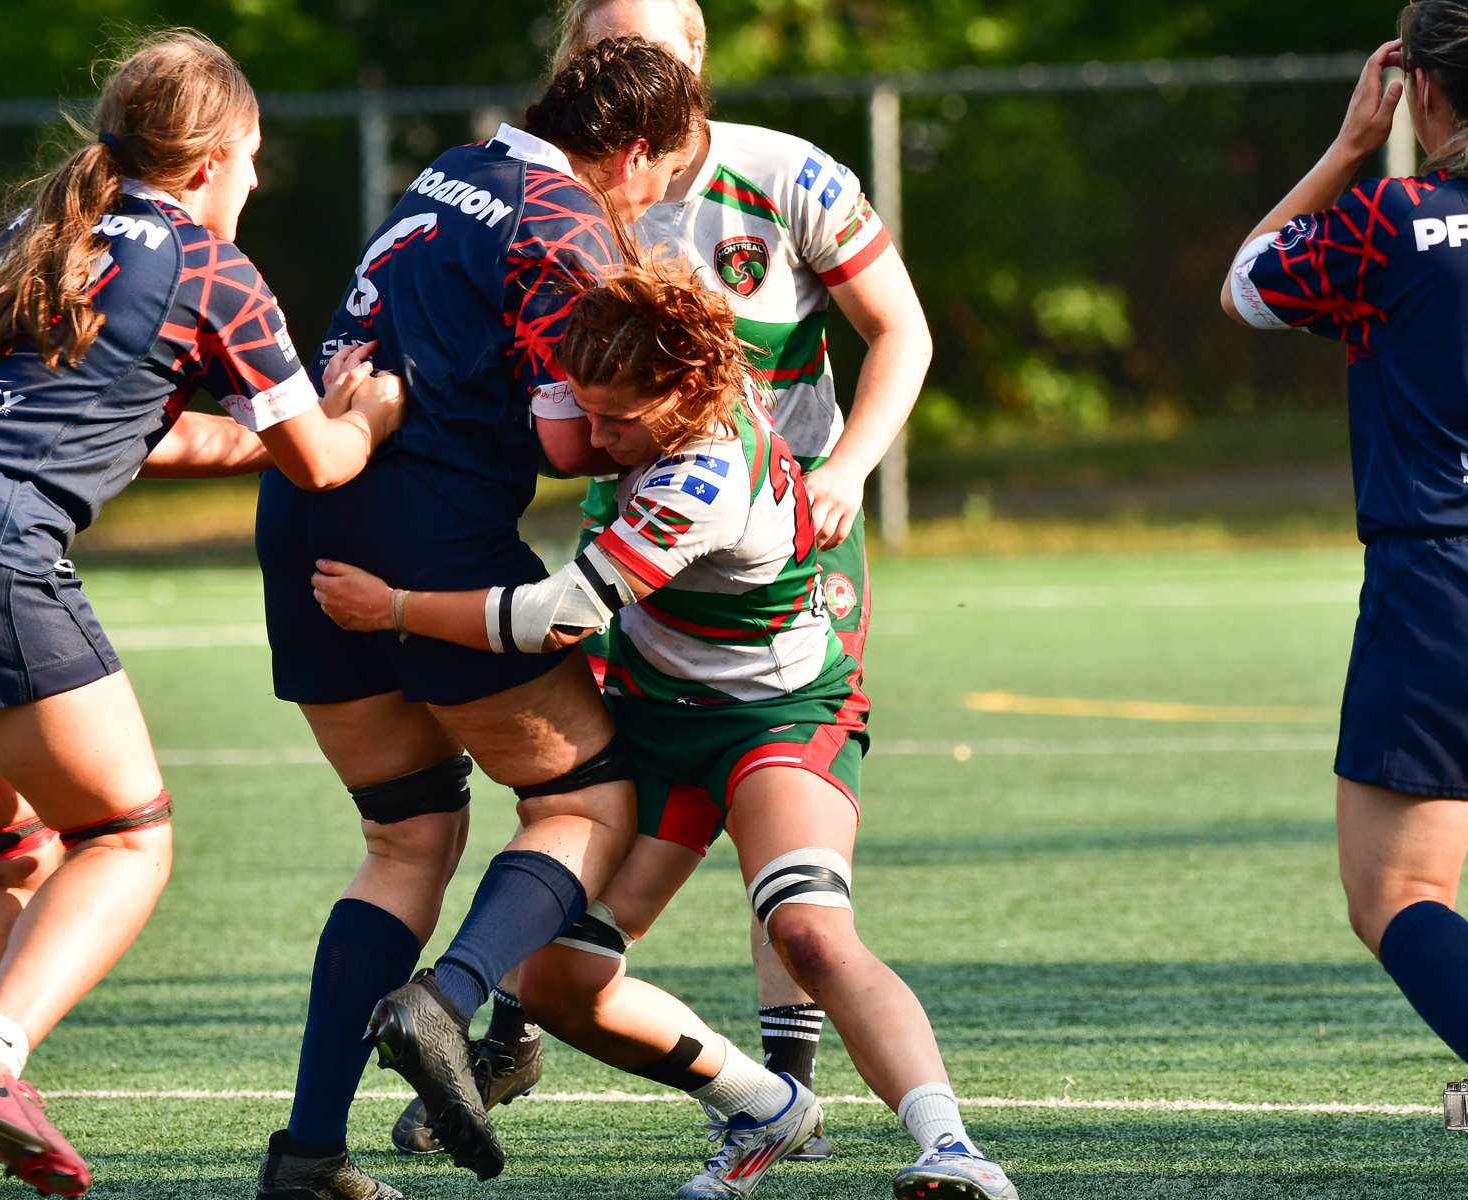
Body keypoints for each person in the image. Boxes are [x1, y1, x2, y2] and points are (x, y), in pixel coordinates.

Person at [0, 30, 405, 1200]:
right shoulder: (211, 269)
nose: (251, 183)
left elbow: (120, 425)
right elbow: (326, 463)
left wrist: (264, 436)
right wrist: (376, 411)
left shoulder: (33, 239)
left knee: (9, 858)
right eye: (250, 161)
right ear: (209, 162)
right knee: (129, 837)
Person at [312, 264, 1015, 1200]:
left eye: (615, 423)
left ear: (684, 394)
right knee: (560, 983)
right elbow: (540, 418)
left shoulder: (707, 476)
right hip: (655, 713)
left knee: (806, 930)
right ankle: (761, 1105)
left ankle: (950, 1147)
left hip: (775, 715)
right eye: (588, 413)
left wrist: (395, 606)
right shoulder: (642, 388)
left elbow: (561, 613)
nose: (591, 443)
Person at [389, 0, 934, 1163]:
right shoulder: (570, 195)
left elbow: (903, 331)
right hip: (637, 521)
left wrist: (843, 470)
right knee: (604, 778)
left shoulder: (788, 174)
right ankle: (530, 1013)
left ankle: (783, 1075)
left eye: (655, 44)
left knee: (768, 783)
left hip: (783, 531)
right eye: (599, 48)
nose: (627, 64)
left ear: (693, 55)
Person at [251, 37, 707, 1196]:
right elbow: (566, 437)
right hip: (428, 527)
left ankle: (309, 1155)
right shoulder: (569, 221)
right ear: (636, 151)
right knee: (584, 797)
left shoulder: (449, 170)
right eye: (666, 174)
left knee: (406, 836)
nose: (660, 200)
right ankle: (446, 1005)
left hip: (306, 514)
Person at [1222, 3, 1468, 1197]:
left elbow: (1249, 288)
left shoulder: (1393, 218)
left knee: (1395, 894)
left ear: (1420, 92)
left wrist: (1349, 145)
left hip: (1457, 589)